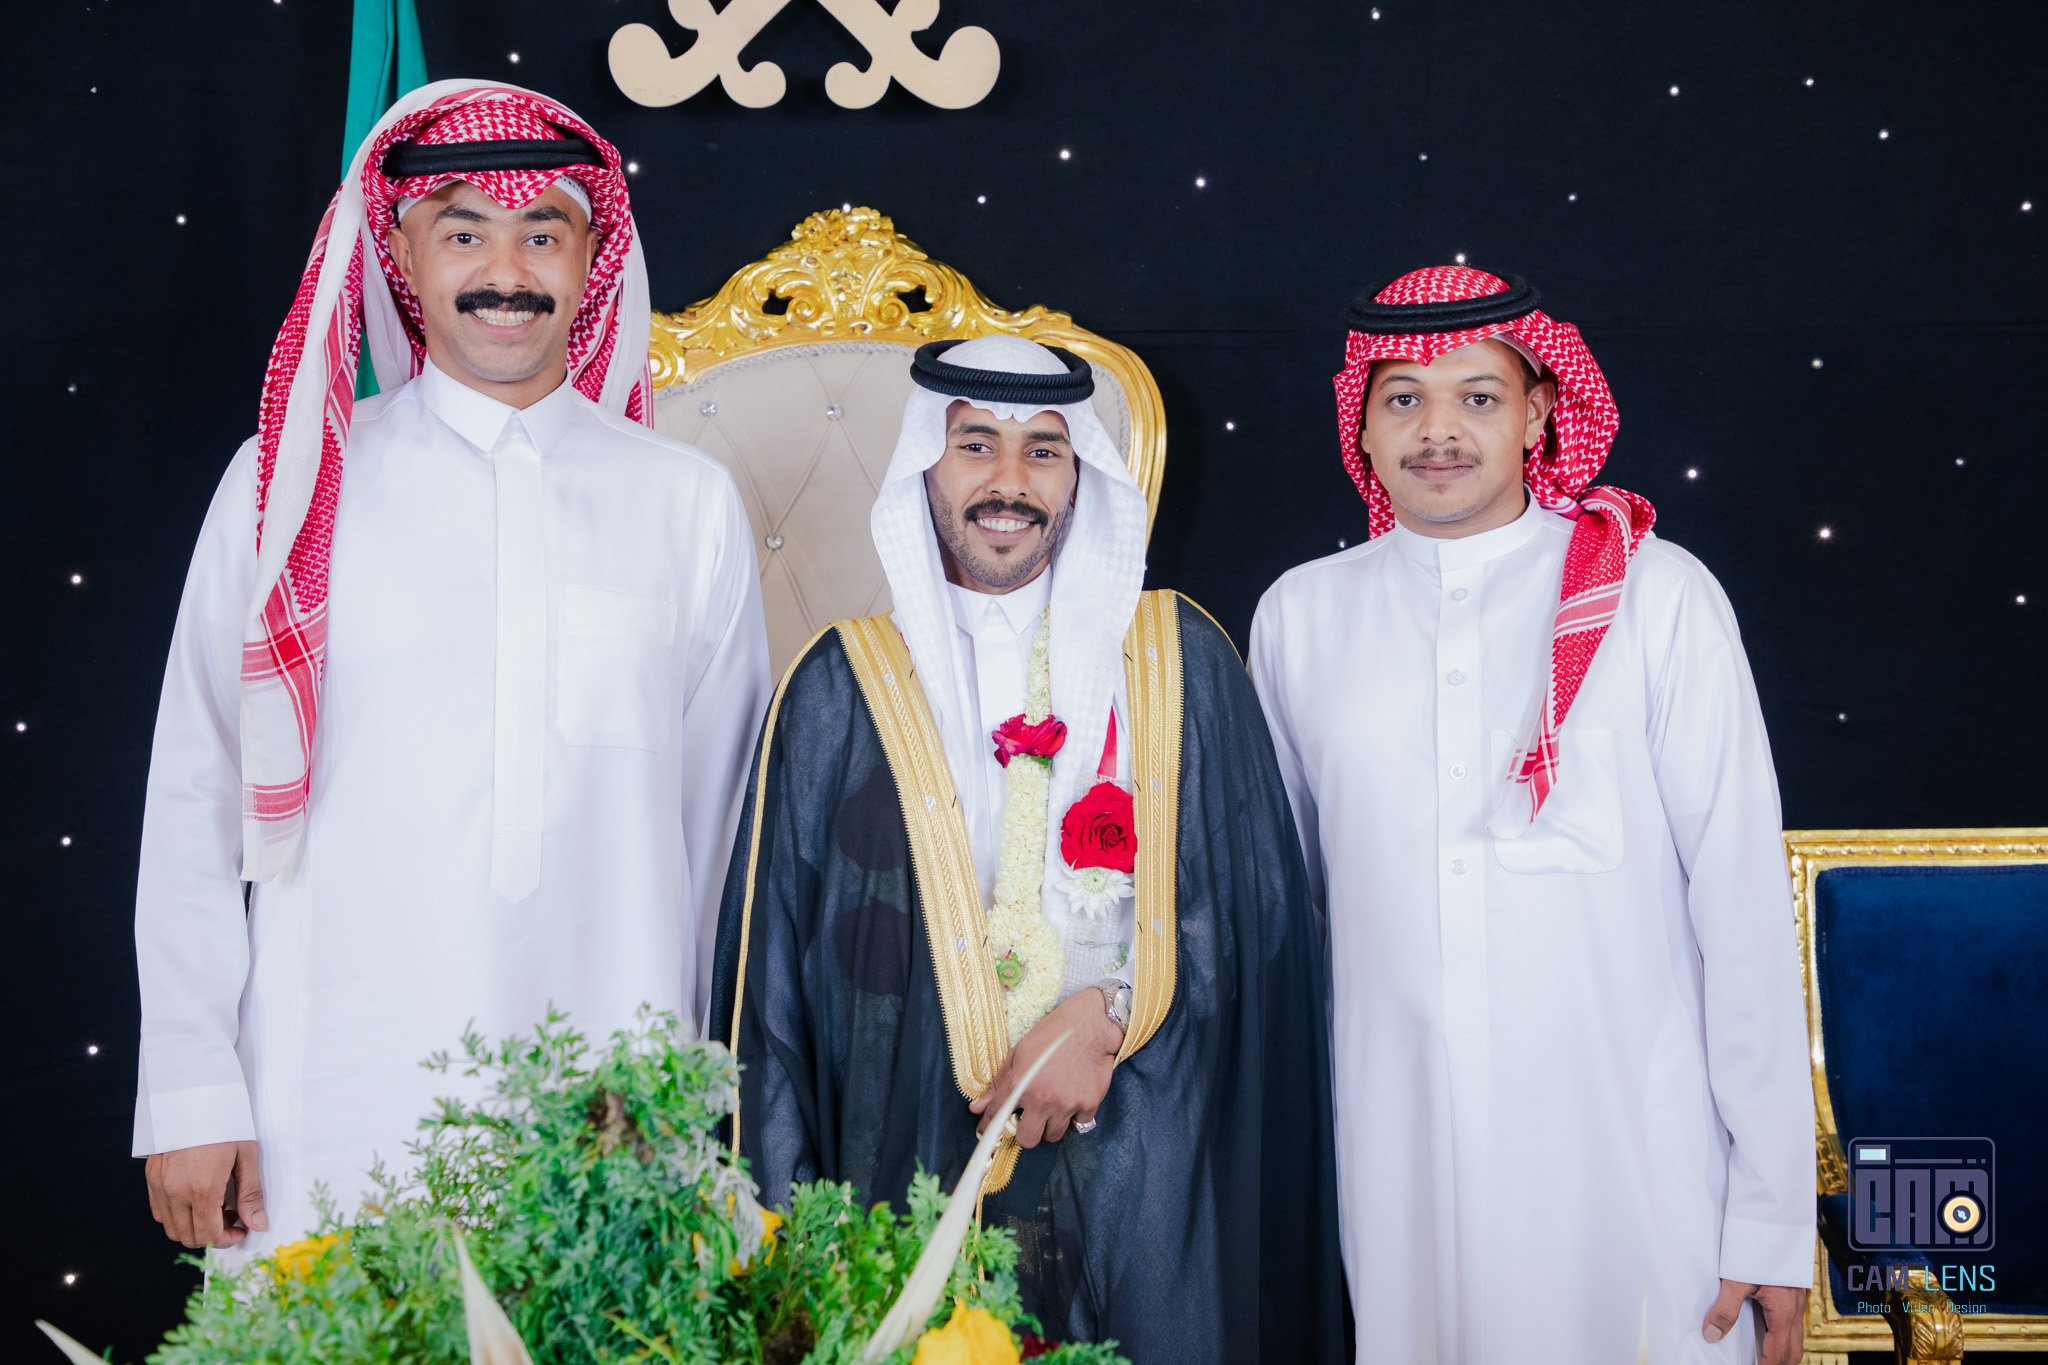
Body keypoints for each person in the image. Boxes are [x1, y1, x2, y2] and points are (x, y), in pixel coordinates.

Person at [133, 82, 769, 1257]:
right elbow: (194, 796)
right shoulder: (289, 489)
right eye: (464, 233)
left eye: (542, 234)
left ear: (593, 259)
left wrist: (692, 1099)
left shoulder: (683, 503)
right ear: (402, 258)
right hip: (331, 1088)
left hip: (614, 1094)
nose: (505, 271)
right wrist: (191, 1089)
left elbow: (724, 833)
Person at [710, 336, 1349, 1360]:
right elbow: (774, 993)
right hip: (913, 1155)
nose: (1008, 482)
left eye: (1043, 450)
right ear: (925, 465)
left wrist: (1108, 1014)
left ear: (1079, 474)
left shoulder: (1176, 658)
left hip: (1142, 1160)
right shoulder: (836, 687)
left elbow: (1252, 918)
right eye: (975, 445)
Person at [1250, 267, 1813, 1364]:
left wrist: (1772, 1215)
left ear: (1538, 413)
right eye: (1403, 398)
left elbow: (1742, 913)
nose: (1437, 431)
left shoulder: (1656, 594)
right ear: (1360, 423)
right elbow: (1290, 921)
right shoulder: (1301, 617)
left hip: (1637, 1164)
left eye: (1477, 396)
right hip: (1399, 1164)